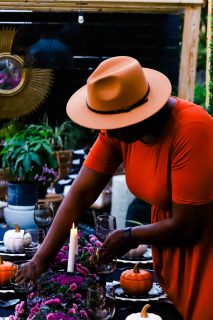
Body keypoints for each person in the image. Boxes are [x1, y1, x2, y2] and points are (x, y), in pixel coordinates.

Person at [16, 56, 213, 320]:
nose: (107, 132)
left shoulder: (192, 129)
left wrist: (130, 236)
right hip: (171, 251)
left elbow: (189, 224)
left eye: (114, 125)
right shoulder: (119, 130)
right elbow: (81, 193)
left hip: (204, 254)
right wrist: (39, 260)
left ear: (142, 113)